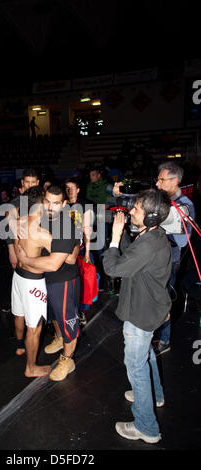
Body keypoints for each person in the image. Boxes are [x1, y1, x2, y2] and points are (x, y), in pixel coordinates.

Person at [103, 189, 172, 444]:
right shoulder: (152, 235)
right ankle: (156, 395)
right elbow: (133, 256)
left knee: (136, 367)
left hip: (141, 314)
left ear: (152, 217)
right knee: (147, 355)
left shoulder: (149, 245)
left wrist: (114, 238)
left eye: (137, 209)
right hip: (151, 308)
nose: (131, 211)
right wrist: (122, 237)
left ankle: (147, 427)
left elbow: (113, 268)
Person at [16, 185, 80, 382]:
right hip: (45, 280)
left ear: (64, 204)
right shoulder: (42, 218)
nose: (51, 207)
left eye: (56, 203)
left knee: (68, 320)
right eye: (47, 202)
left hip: (63, 280)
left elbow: (58, 263)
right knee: (53, 316)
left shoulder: (66, 225)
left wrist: (25, 260)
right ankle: (60, 338)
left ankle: (67, 359)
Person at [154, 161, 195, 355]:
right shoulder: (158, 199)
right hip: (152, 256)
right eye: (158, 179)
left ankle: (164, 338)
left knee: (163, 299)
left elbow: (182, 241)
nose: (157, 184)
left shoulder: (185, 206)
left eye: (162, 180)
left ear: (175, 181)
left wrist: (165, 224)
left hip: (169, 259)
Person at [12, 186, 52, 377]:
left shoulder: (19, 221)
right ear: (42, 203)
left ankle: (20, 347)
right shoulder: (40, 232)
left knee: (19, 314)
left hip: (18, 275)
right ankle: (31, 367)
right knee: (35, 328)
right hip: (33, 282)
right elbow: (63, 258)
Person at [3, 168, 40, 355]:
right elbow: (9, 232)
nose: (30, 185)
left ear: (38, 183)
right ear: (21, 185)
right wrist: (11, 251)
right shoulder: (14, 204)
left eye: (33, 182)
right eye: (27, 182)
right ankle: (20, 340)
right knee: (20, 299)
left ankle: (35, 330)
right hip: (20, 257)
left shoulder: (42, 202)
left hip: (38, 259)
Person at [65, 177, 93, 326]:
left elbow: (87, 230)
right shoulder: (62, 205)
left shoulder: (85, 205)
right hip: (65, 250)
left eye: (72, 187)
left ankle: (81, 311)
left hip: (81, 250)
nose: (69, 191)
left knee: (82, 282)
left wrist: (87, 253)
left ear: (78, 190)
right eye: (67, 188)